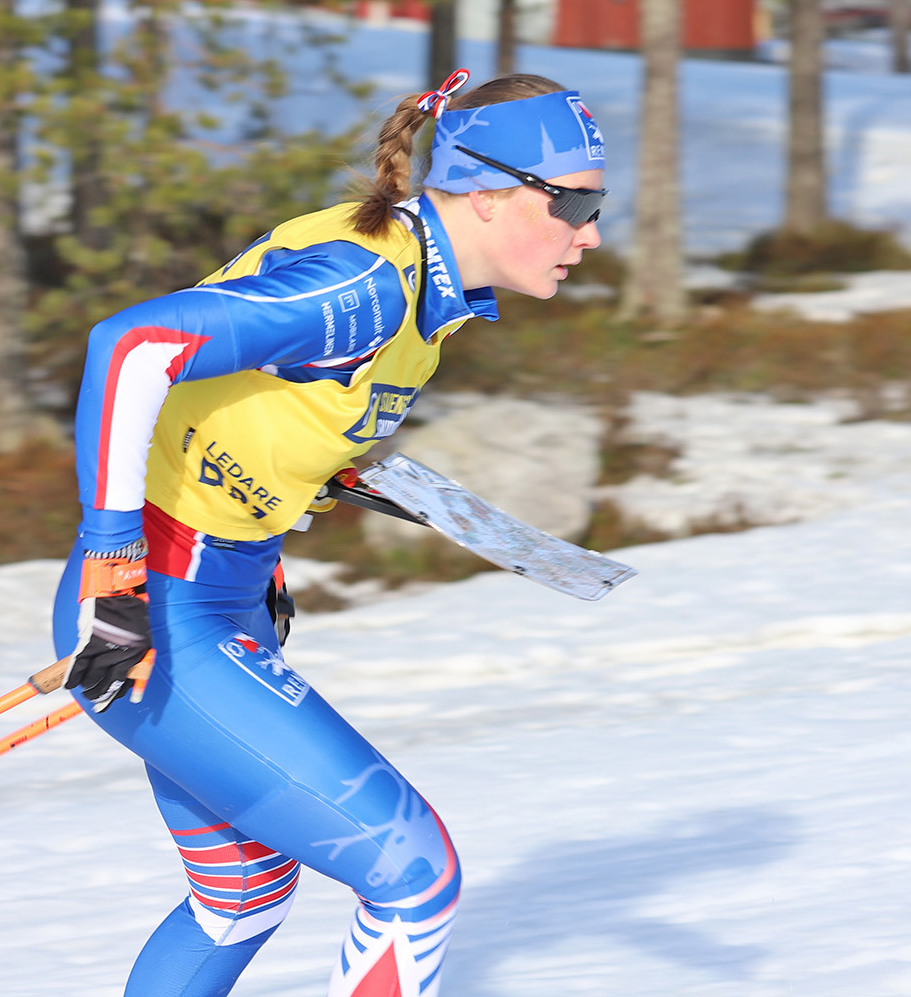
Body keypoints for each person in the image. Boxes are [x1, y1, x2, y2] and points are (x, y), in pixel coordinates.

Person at [51, 69, 607, 997]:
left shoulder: (420, 285)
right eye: (575, 201)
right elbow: (133, 348)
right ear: (486, 189)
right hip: (157, 605)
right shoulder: (367, 283)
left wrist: (276, 505)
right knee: (414, 878)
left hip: (221, 588)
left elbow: (255, 403)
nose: (590, 234)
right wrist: (116, 570)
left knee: (242, 892)